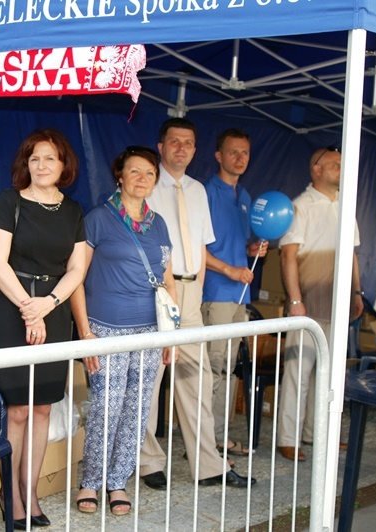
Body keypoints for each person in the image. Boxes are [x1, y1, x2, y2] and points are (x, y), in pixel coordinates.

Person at [140, 117, 253, 490]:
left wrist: (198, 290)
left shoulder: (197, 190)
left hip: (190, 293)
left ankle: (208, 465)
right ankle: (148, 461)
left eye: (188, 143)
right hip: (155, 291)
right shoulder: (146, 184)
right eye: (174, 141)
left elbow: (201, 247)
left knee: (198, 380)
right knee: (151, 380)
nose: (181, 148)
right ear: (161, 147)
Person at [0, 129, 86, 529]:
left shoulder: (74, 211)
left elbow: (77, 269)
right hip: (12, 312)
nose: (41, 165)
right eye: (34, 158)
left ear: (64, 165)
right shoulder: (8, 201)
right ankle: (9, 493)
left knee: (43, 406)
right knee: (18, 409)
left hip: (54, 313)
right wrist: (30, 309)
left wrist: (49, 304)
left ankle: (30, 491)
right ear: (25, 164)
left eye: (50, 158)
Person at [72, 146, 177, 515]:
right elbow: (76, 279)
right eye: (134, 171)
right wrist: (85, 334)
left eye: (149, 173)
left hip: (150, 332)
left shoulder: (159, 224)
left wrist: (172, 335)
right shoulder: (98, 218)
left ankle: (118, 481)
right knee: (106, 408)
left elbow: (168, 281)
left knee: (137, 410)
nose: (142, 178)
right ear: (119, 176)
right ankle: (91, 481)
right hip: (106, 330)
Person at [276, 146, 363, 462]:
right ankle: (288, 437)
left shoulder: (345, 204)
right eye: (335, 164)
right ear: (317, 169)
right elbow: (287, 255)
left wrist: (357, 292)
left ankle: (317, 432)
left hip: (338, 302)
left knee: (328, 373)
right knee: (298, 371)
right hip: (309, 300)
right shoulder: (300, 206)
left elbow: (351, 253)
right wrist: (295, 300)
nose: (341, 168)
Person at [201, 128, 266, 456]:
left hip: (241, 295)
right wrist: (228, 270)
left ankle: (219, 437)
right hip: (216, 293)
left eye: (245, 153)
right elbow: (195, 249)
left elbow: (233, 244)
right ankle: (206, 441)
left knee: (228, 369)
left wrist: (252, 250)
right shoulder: (206, 193)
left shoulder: (245, 197)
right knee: (214, 369)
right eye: (233, 152)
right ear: (218, 156)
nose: (240, 158)